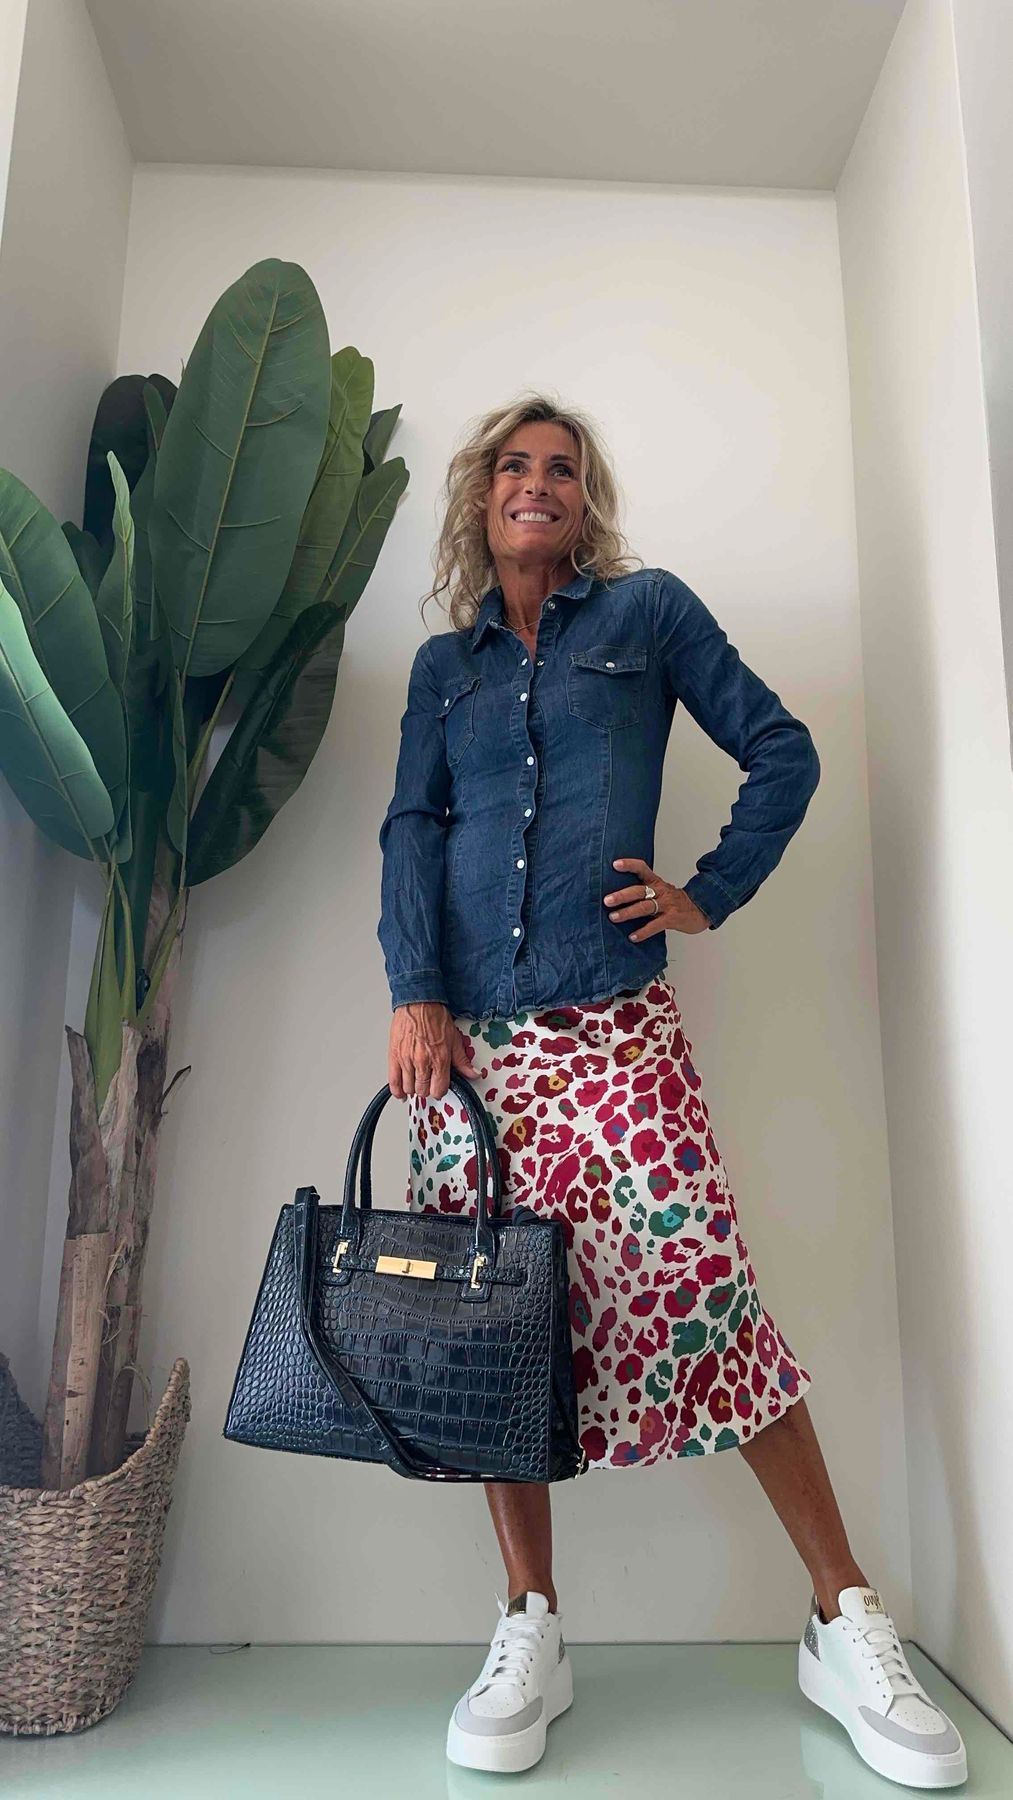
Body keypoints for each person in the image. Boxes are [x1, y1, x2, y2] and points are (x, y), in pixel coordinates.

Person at [376, 394, 966, 1788]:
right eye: (513, 466)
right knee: (496, 1328)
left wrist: (706, 892)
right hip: (471, 1051)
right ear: (480, 497)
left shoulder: (647, 618)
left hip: (617, 1025)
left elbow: (782, 749)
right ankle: (531, 1622)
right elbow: (413, 828)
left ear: (584, 502)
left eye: (561, 469)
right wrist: (414, 991)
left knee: (708, 1293)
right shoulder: (442, 669)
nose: (536, 484)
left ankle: (842, 1618)